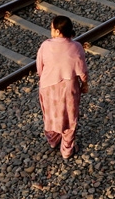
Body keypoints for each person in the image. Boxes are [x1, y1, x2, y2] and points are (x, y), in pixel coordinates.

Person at [36, 15, 88, 160]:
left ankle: (53, 140)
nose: (51, 30)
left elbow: (40, 68)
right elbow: (82, 71)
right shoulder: (76, 47)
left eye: (52, 28)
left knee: (51, 115)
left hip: (48, 87)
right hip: (68, 89)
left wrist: (45, 78)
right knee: (69, 118)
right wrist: (84, 84)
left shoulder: (45, 45)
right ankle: (66, 150)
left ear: (58, 32)